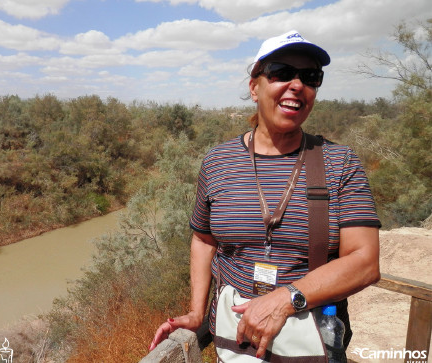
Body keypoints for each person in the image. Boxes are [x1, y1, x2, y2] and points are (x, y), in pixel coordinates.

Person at [149, 30, 381, 360]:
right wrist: (197, 312)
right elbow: (203, 240)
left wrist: (285, 298)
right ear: (254, 86)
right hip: (233, 343)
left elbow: (365, 263)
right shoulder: (218, 161)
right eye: (282, 72)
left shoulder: (339, 162)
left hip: (310, 343)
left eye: (310, 77)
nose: (298, 85)